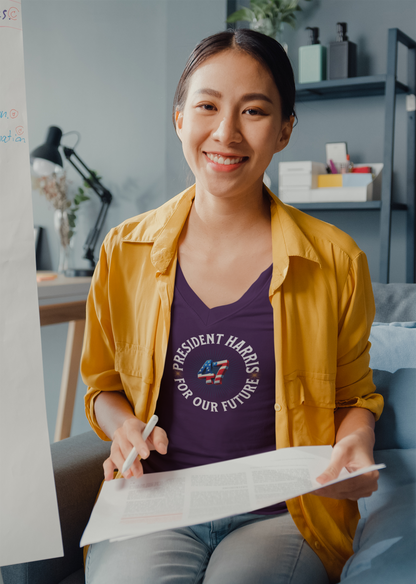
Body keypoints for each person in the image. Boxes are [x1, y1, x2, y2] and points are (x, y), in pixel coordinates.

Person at [81, 29, 383, 584]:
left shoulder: (336, 259)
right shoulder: (123, 251)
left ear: (285, 130)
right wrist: (122, 425)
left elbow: (352, 397)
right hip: (156, 504)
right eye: (207, 106)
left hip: (285, 512)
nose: (226, 132)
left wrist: (356, 442)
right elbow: (102, 386)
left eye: (254, 111)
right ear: (179, 119)